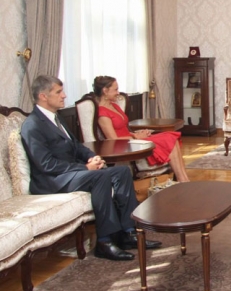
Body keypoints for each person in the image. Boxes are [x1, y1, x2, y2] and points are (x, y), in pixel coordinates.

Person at [20, 75, 162, 262]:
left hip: (71, 173)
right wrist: (85, 167)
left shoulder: (57, 118)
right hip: (52, 180)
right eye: (59, 92)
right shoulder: (33, 125)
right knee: (99, 177)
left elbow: (76, 146)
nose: (64, 95)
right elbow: (46, 164)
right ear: (43, 96)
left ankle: (128, 233)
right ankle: (104, 241)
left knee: (121, 172)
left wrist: (91, 157)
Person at [93, 76, 190, 183]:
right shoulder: (102, 113)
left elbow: (122, 129)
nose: (118, 92)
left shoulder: (114, 106)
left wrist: (137, 133)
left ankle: (183, 180)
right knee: (168, 139)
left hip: (132, 139)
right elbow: (113, 139)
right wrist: (136, 136)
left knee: (171, 136)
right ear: (105, 91)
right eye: (115, 89)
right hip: (125, 146)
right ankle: (183, 181)